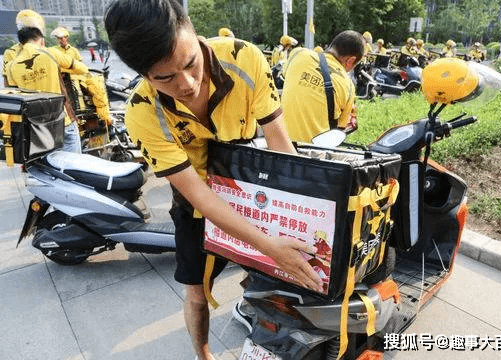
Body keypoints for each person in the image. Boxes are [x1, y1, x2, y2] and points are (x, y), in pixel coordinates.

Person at [104, 1, 322, 359]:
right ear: (144, 75)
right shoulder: (142, 112)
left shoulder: (245, 59)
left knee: (271, 276)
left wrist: (305, 213)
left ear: (193, 31)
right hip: (197, 203)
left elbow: (281, 146)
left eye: (191, 64)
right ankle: (202, 353)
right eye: (166, 78)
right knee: (195, 291)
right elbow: (199, 196)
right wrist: (269, 246)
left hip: (254, 192)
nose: (187, 84)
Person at [6, 9, 89, 154]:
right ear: (41, 35)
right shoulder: (51, 53)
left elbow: (12, 93)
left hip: (38, 127)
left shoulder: (12, 66)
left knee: (50, 168)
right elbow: (82, 68)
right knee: (74, 168)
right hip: (63, 122)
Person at [281, 30, 364, 143]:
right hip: (312, 154)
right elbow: (339, 131)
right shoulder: (348, 86)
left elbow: (284, 76)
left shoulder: (297, 54)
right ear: (350, 60)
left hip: (278, 146)